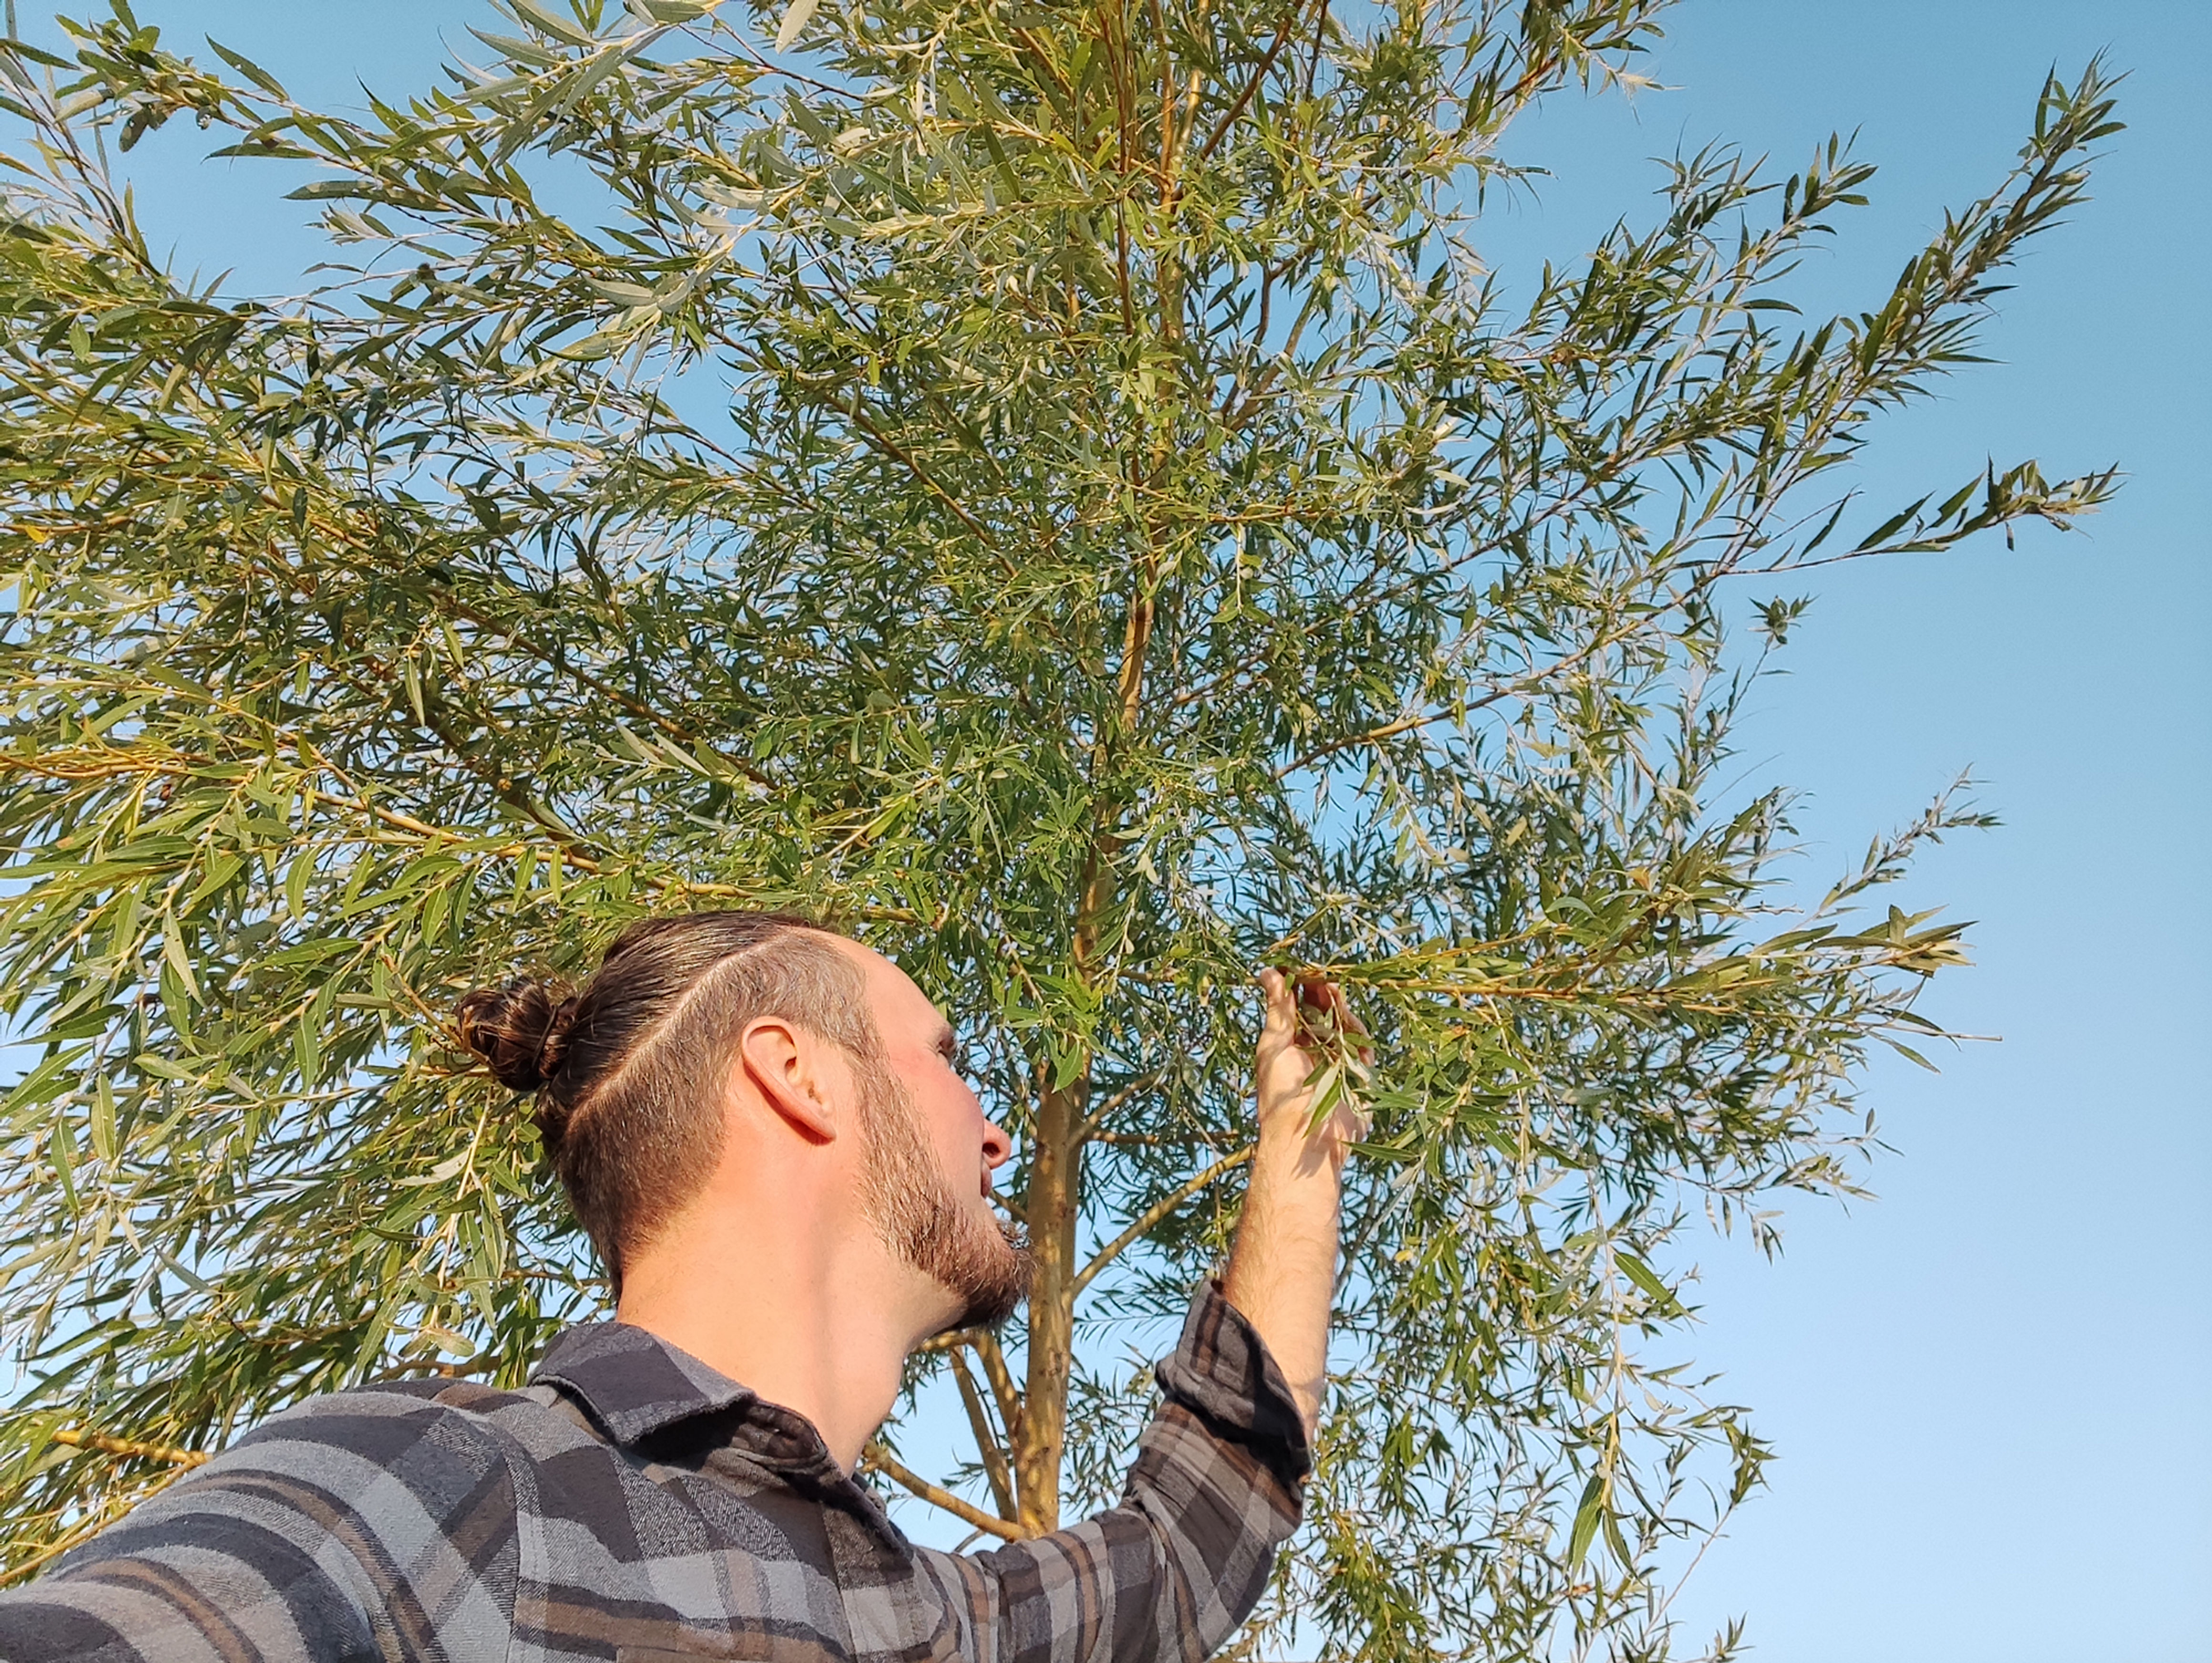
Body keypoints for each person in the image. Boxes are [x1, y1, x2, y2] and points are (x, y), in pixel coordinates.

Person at [0, 911, 1367, 1663]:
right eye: (948, 1062)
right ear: (798, 1074)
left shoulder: (921, 1618)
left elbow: (1199, 1540)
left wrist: (1304, 1149)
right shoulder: (456, 1492)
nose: (995, 1130)